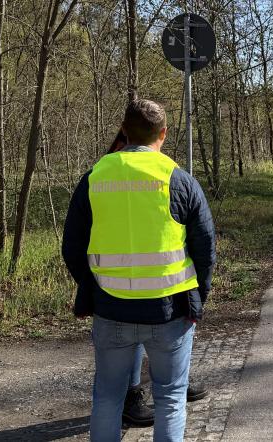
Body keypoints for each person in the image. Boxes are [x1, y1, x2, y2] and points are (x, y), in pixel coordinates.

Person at [62, 99, 216, 441]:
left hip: (112, 309)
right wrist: (197, 298)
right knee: (171, 398)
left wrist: (94, 289)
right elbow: (205, 251)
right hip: (170, 311)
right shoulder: (179, 180)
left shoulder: (95, 177)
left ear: (124, 131)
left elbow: (72, 248)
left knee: (107, 397)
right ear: (163, 134)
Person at [106, 130, 209, 427]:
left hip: (159, 278)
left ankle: (170, 380)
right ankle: (133, 394)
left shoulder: (167, 172)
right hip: (123, 280)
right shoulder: (109, 168)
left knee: (148, 338)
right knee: (135, 334)